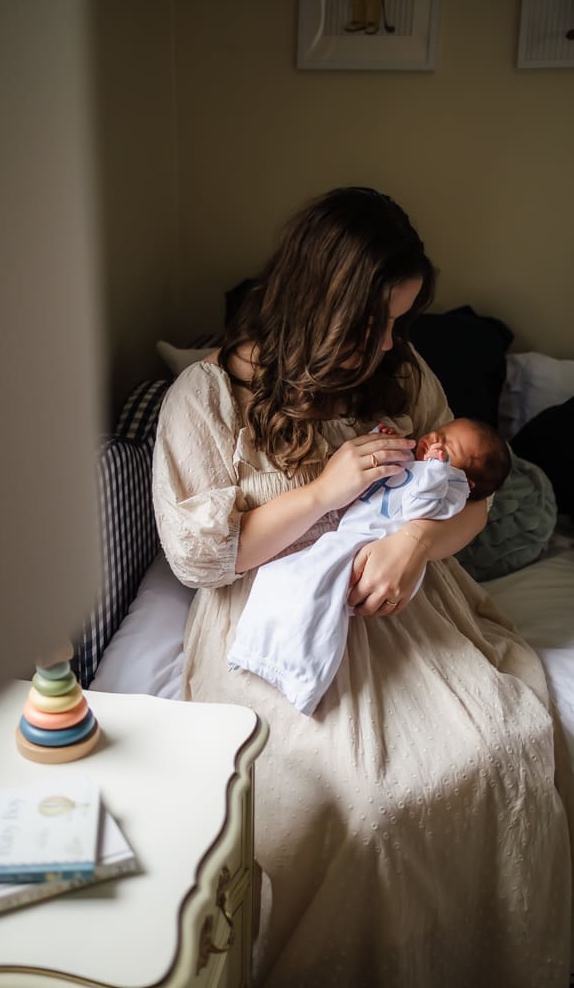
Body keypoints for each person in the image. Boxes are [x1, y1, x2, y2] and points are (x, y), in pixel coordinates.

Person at [152, 187, 571, 988]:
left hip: (406, 596)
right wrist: (320, 493)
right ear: (316, 301)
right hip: (275, 610)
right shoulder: (204, 401)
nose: (385, 344)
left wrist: (413, 541)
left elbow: (470, 504)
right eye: (370, 323)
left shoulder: (398, 372)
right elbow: (203, 560)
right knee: (368, 804)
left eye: (397, 324)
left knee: (506, 746)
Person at [228, 417, 511, 716]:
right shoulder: (413, 463)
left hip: (378, 553)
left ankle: (301, 678)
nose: (434, 442)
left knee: (319, 600)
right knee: (279, 578)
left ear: (466, 481)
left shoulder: (448, 489)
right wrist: (381, 438)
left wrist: (437, 471)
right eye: (437, 434)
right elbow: (372, 474)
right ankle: (255, 648)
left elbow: (423, 505)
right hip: (346, 538)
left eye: (448, 448)